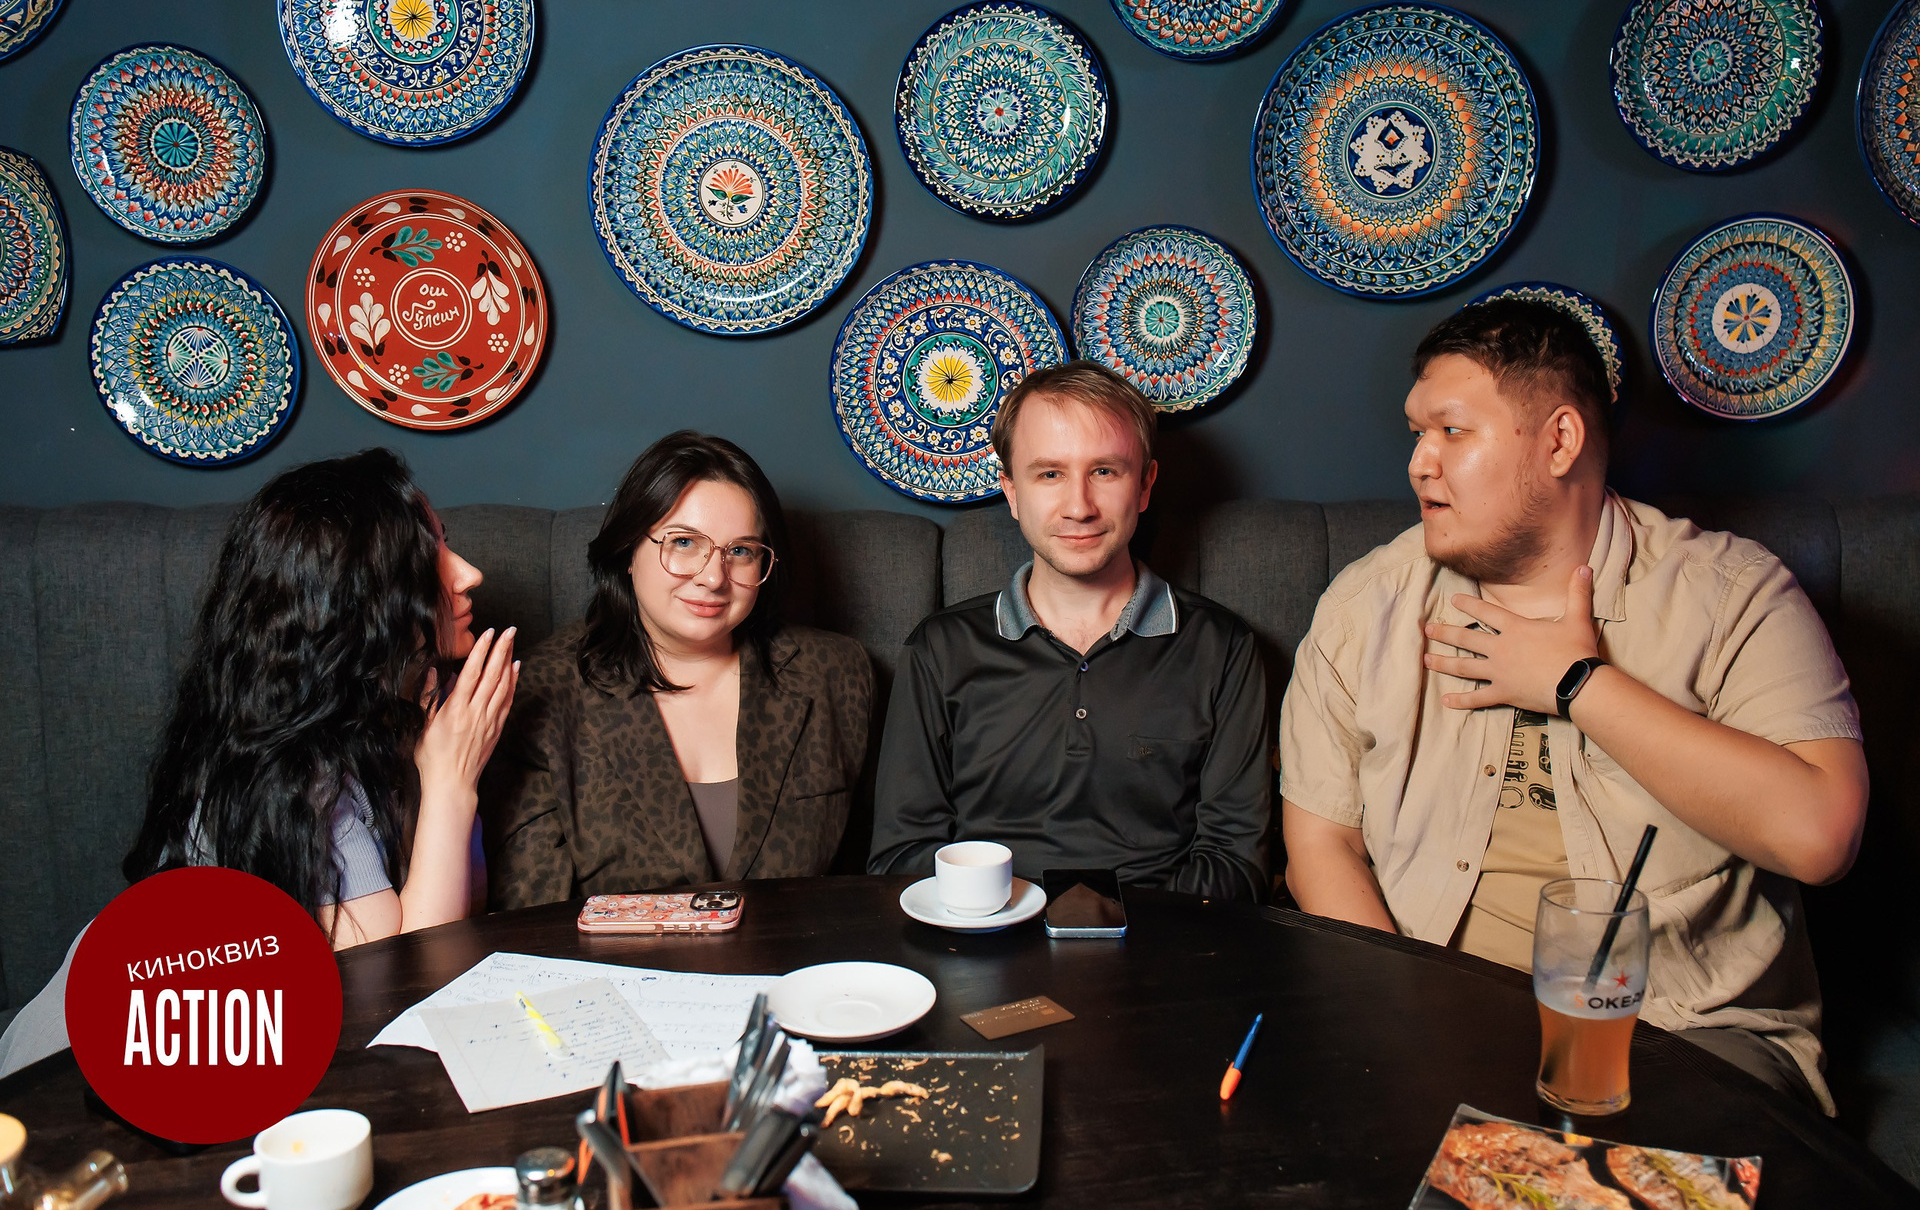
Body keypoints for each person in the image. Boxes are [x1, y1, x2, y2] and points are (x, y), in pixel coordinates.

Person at [1278, 298, 1867, 1112]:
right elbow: (1321, 841)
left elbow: (1820, 836)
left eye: (1452, 431)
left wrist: (1578, 685)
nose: (1419, 462)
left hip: (1685, 1035)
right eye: (1417, 433)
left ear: (1559, 441)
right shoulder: (1364, 606)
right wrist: (1401, 1012)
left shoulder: (1733, 595)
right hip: (1435, 1009)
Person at [1, 449, 516, 1077]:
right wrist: (453, 782)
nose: (468, 574)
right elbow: (397, 987)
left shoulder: (394, 717)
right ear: (358, 597)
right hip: (84, 1068)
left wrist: (452, 771)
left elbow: (458, 915)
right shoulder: (297, 771)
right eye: (427, 558)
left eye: (445, 540)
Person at [869, 361, 1271, 901]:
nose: (1079, 507)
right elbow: (900, 858)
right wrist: (1016, 916)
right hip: (986, 932)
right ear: (1011, 491)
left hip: (1162, 939)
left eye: (1104, 471)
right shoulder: (940, 650)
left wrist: (1105, 925)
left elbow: (1236, 865)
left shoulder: (1222, 648)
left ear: (1145, 485)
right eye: (1050, 474)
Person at [483, 432, 872, 906]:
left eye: (741, 551)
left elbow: (863, 889)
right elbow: (532, 921)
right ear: (628, 549)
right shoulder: (540, 691)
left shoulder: (835, 671)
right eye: (684, 542)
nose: (713, 577)